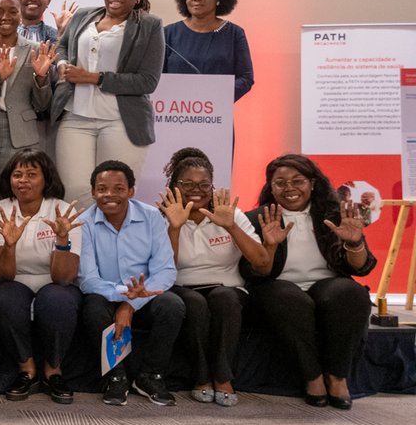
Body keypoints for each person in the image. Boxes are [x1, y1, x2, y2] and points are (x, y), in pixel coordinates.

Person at [243, 154, 373, 410]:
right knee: (288, 298)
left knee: (352, 293)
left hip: (326, 285)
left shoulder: (334, 214)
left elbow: (361, 268)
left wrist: (354, 242)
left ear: (313, 183)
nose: (289, 188)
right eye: (280, 182)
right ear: (271, 187)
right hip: (276, 286)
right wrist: (269, 244)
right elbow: (255, 272)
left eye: (298, 180)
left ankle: (337, 377)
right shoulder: (256, 218)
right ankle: (313, 377)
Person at [159, 147, 268, 407]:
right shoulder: (161, 217)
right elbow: (166, 269)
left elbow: (262, 263)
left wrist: (229, 226)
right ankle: (201, 377)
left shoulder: (231, 214)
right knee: (194, 304)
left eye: (204, 184)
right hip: (182, 286)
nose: (196, 189)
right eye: (188, 183)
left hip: (227, 286)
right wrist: (174, 227)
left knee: (224, 298)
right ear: (175, 185)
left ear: (213, 186)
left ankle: (222, 376)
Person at [52, 0, 165, 205]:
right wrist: (62, 64)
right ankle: (83, 244)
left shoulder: (150, 26)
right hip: (75, 118)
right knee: (75, 195)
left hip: (120, 122)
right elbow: (61, 46)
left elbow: (148, 81)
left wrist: (94, 77)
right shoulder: (83, 15)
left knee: (113, 196)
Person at [77, 160, 183, 407]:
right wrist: (124, 294)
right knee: (92, 306)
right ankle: (116, 376)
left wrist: (131, 305)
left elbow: (166, 271)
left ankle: (149, 376)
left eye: (118, 188)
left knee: (172, 305)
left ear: (131, 191)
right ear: (93, 192)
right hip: (106, 294)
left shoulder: (152, 217)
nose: (109, 195)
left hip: (145, 297)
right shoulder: (83, 223)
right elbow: (88, 279)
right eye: (102, 189)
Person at [0, 149, 83, 404]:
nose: (23, 180)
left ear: (46, 179)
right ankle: (26, 369)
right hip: (15, 281)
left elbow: (64, 277)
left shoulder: (63, 211)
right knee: (3, 299)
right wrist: (9, 245)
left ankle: (53, 371)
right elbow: (2, 274)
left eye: (31, 174)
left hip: (55, 282)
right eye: (17, 174)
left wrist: (62, 240)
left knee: (58, 300)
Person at [0, 0, 57, 198]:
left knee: (12, 194)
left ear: (21, 14)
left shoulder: (37, 50)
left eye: (12, 11)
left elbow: (43, 104)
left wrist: (41, 77)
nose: (5, 17)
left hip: (19, 132)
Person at [164, 0, 253, 101]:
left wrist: (215, 97)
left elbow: (245, 78)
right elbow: (156, 77)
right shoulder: (168, 33)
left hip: (216, 115)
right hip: (176, 113)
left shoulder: (234, 33)